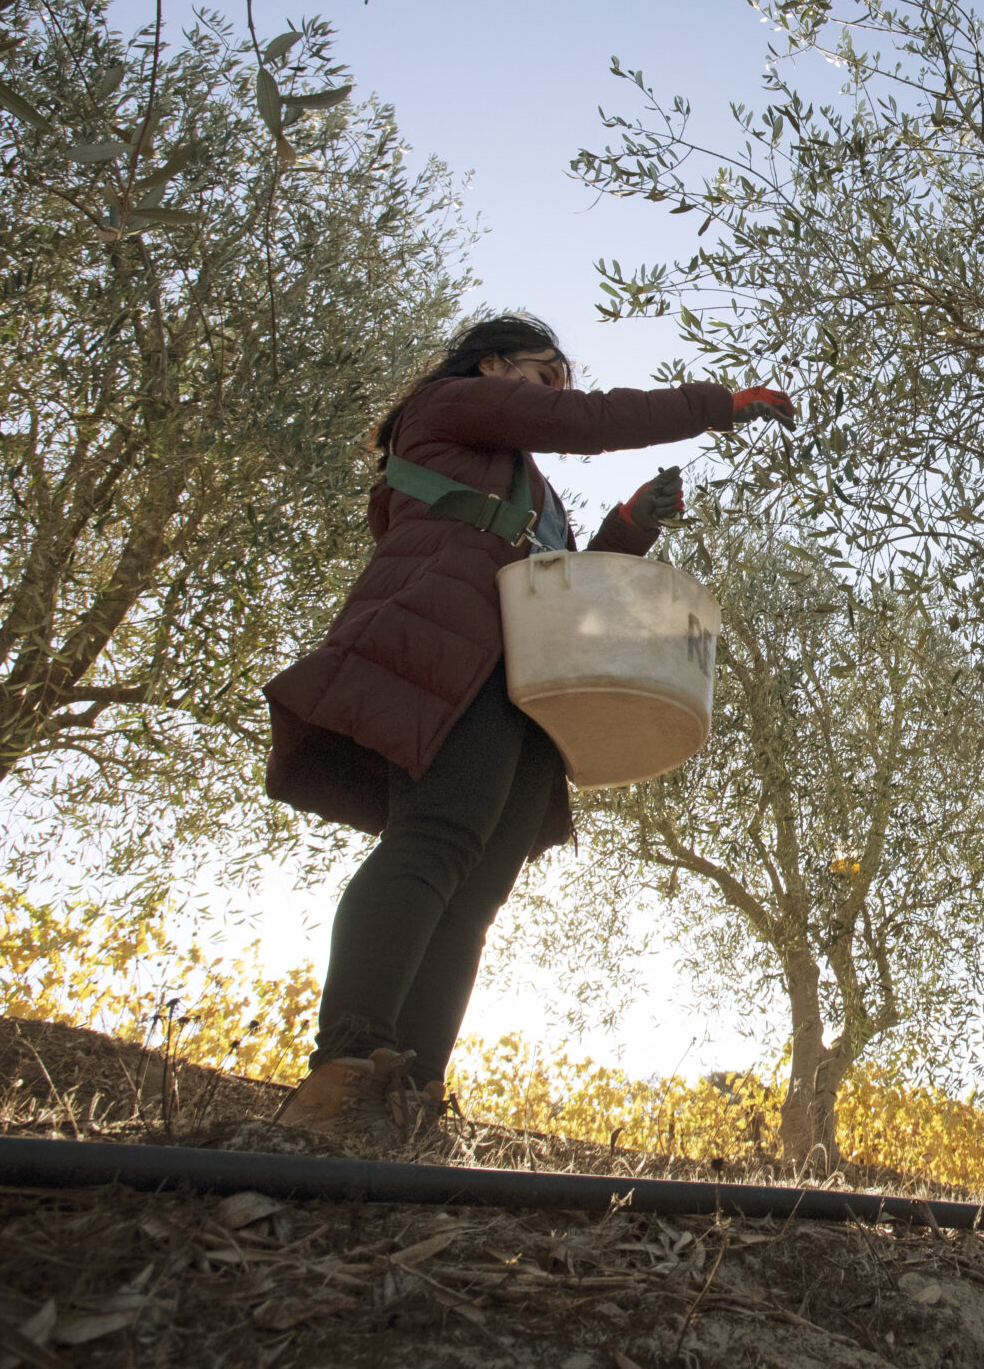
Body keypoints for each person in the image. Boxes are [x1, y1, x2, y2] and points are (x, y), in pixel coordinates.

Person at [263, 313, 792, 1137]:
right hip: (452, 643)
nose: (556, 401)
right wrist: (716, 403)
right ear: (494, 362)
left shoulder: (523, 486)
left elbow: (565, 584)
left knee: (478, 889)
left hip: (521, 677)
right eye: (546, 379)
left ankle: (409, 1093)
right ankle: (345, 1065)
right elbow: (586, 425)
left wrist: (630, 525)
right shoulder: (448, 404)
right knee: (433, 839)